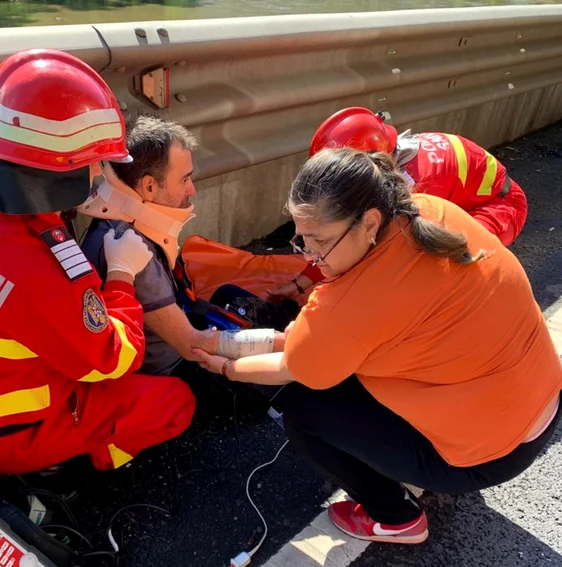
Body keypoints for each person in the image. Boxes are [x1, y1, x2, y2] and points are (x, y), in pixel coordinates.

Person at [194, 148, 562, 544]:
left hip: (491, 455)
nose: (311, 256)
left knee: (302, 410)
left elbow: (292, 366)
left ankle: (396, 518)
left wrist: (224, 366)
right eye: (301, 239)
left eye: (319, 241)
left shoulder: (351, 303)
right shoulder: (428, 210)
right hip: (541, 402)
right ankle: (417, 461)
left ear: (368, 221)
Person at [0, 49, 196, 475]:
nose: (101, 175)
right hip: (18, 427)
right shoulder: (39, 261)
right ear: (62, 168)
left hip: (16, 382)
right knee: (175, 402)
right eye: (95, 163)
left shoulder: (17, 227)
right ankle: (88, 462)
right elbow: (111, 359)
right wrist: (122, 276)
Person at [80, 116, 290, 375]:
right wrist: (289, 344)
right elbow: (192, 345)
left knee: (228, 293)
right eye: (184, 179)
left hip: (172, 343)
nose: (192, 190)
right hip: (173, 370)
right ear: (149, 186)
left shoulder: (119, 226)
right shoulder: (128, 245)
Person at [269, 107, 528, 301]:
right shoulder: (386, 155)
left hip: (499, 207)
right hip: (470, 195)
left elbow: (370, 249)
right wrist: (301, 284)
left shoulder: (418, 188)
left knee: (431, 271)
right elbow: (339, 241)